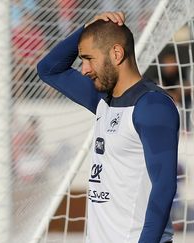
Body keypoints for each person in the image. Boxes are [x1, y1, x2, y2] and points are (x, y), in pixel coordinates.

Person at [37, 12, 179, 243]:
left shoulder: (152, 106)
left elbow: (164, 187)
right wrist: (87, 26)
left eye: (88, 58)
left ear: (116, 53)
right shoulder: (103, 99)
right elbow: (49, 69)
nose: (83, 69)